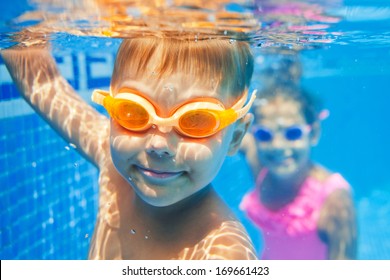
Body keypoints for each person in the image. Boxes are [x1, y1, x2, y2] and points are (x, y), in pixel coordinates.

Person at [1, 35, 258, 260]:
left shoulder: (224, 254)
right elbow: (42, 85)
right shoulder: (112, 160)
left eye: (196, 121)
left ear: (235, 137)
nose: (158, 145)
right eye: (134, 112)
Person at [240, 83, 357, 260]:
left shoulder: (334, 200)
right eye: (265, 135)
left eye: (293, 133)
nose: (278, 146)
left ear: (314, 133)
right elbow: (231, 134)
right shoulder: (260, 167)